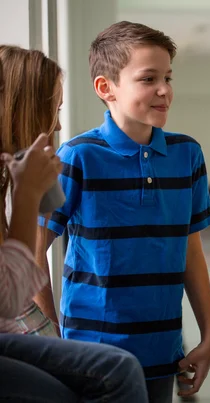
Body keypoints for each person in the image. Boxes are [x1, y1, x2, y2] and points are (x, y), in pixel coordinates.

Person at [35, 21, 210, 402]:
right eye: (148, 79)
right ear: (106, 88)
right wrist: (50, 334)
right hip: (91, 349)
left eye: (167, 77)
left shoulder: (188, 155)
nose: (164, 90)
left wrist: (209, 333)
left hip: (163, 346)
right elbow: (35, 250)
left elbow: (191, 250)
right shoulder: (78, 156)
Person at [0, 45, 149, 403]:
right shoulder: (80, 153)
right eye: (52, 109)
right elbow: (8, 297)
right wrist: (26, 200)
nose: (58, 123)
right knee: (114, 373)